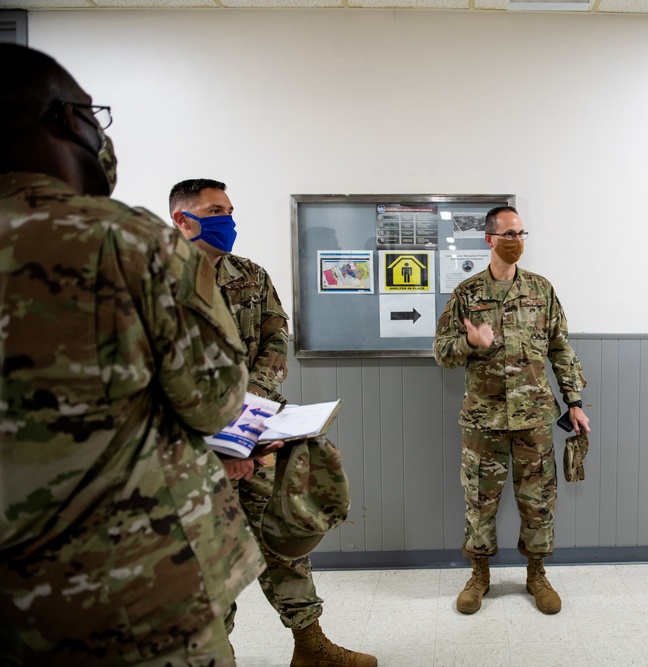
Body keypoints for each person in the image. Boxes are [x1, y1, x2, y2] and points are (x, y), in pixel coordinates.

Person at [0, 44, 267, 665]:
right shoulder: (127, 240)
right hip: (128, 595)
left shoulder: (240, 272)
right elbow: (213, 400)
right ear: (71, 122)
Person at [169, 179, 377, 667]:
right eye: (215, 210)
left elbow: (274, 340)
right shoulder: (151, 283)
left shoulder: (251, 276)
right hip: (192, 453)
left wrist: (251, 405)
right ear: (182, 219)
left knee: (281, 539)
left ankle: (310, 645)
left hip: (257, 433)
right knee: (210, 561)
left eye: (230, 210)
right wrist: (220, 433)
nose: (229, 220)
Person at [433, 205, 590, 615]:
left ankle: (536, 574)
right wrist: (471, 343)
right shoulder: (467, 294)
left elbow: (561, 348)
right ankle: (479, 575)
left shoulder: (541, 290)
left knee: (538, 500)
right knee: (480, 501)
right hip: (484, 420)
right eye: (508, 234)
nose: (516, 241)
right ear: (489, 239)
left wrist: (574, 402)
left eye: (521, 234)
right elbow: (442, 353)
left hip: (534, 418)